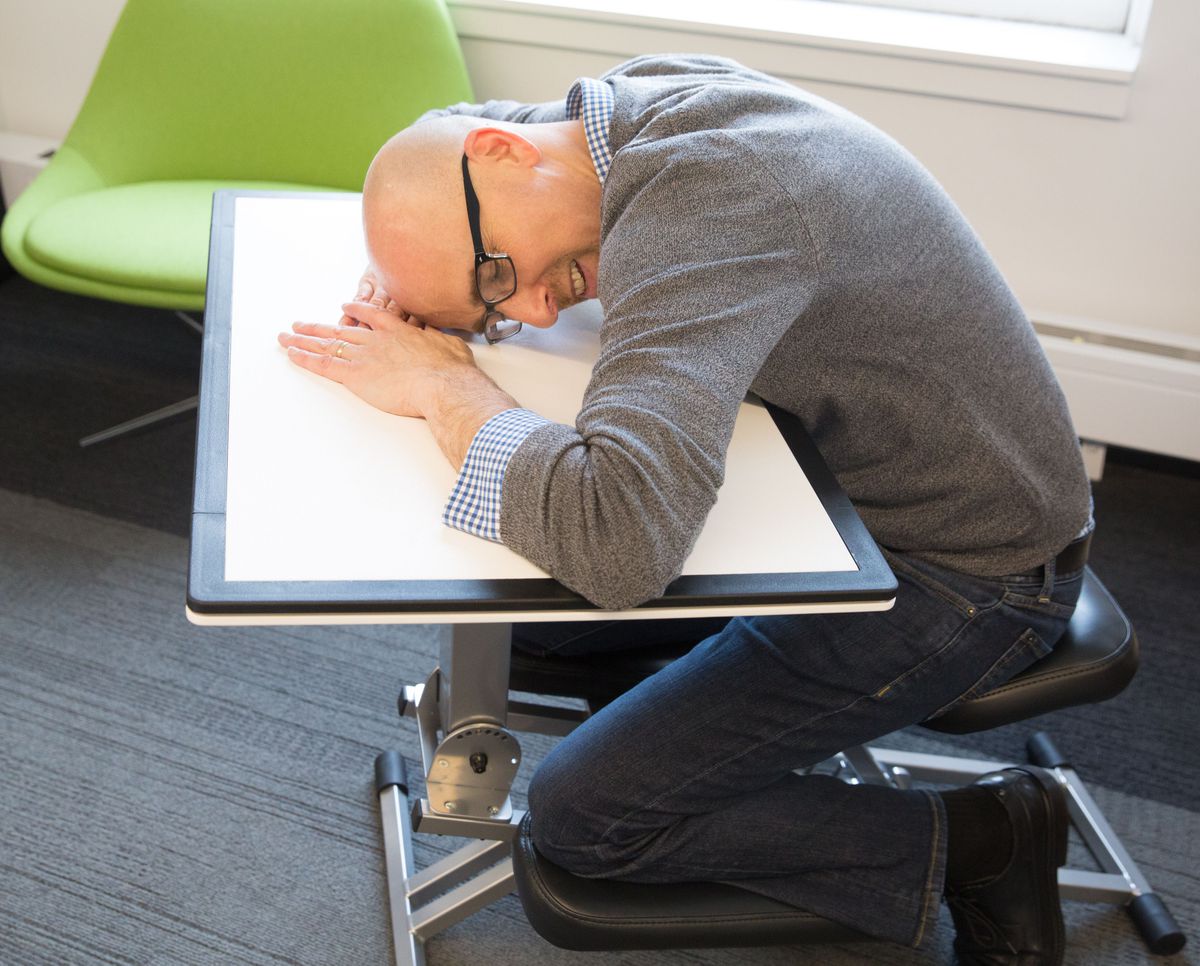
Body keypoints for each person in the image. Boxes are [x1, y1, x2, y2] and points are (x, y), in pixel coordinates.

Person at [276, 54, 1092, 964]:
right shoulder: (600, 128)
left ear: (508, 154)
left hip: (963, 570)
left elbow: (619, 543)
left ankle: (986, 837)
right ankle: (711, 737)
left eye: (500, 276)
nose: (537, 310)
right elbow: (446, 130)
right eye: (496, 302)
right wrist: (418, 277)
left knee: (586, 814)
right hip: (829, 500)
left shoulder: (711, 202)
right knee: (525, 617)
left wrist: (445, 386)